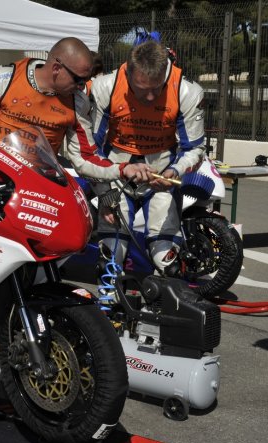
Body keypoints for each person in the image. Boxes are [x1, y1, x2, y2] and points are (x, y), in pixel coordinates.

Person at [0, 37, 153, 183]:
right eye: (78, 79)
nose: (83, 86)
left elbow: (85, 158)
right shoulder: (2, 79)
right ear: (56, 68)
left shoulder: (78, 101)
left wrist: (123, 169)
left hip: (37, 189)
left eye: (86, 79)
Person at [90, 39, 206, 275]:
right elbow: (90, 148)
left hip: (161, 174)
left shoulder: (186, 91)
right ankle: (108, 296)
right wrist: (105, 193)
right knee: (109, 256)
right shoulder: (105, 87)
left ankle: (165, 294)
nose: (151, 97)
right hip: (117, 172)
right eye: (142, 89)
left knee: (168, 261)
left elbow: (194, 148)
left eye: (157, 88)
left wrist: (175, 172)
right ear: (127, 73)